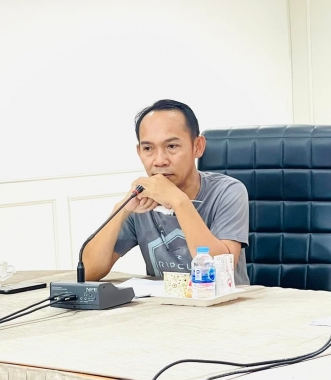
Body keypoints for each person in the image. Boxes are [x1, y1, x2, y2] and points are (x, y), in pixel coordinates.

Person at [82, 99, 250, 284]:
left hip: (225, 302)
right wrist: (121, 209)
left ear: (198, 146)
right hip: (163, 303)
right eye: (148, 148)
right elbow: (87, 272)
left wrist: (179, 201)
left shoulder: (228, 192)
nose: (159, 161)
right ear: (139, 152)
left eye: (171, 146)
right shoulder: (141, 201)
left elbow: (220, 273)